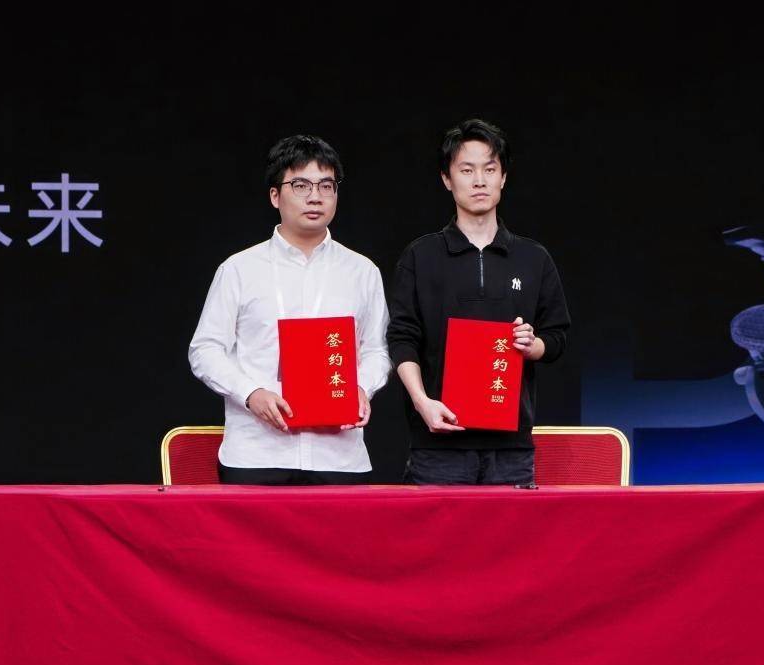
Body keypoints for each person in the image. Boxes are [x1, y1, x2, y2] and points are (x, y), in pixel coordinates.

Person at [189, 135, 390, 484]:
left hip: (338, 458)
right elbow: (205, 350)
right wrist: (251, 394)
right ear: (275, 196)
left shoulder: (362, 272)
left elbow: (377, 350)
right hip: (257, 453)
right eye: (300, 185)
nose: (315, 197)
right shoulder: (239, 269)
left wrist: (361, 388)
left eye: (326, 186)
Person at [387, 118, 570, 485]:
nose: (479, 180)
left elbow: (556, 337)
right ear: (446, 179)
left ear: (503, 177)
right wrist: (422, 403)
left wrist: (532, 345)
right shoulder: (421, 256)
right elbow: (402, 338)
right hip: (437, 446)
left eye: (490, 169)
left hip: (511, 450)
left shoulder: (533, 258)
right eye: (466, 170)